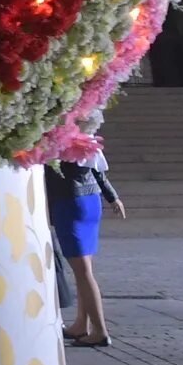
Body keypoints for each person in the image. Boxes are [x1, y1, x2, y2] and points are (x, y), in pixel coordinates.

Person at [48, 146, 125, 348]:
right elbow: (96, 169)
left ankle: (100, 331)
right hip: (91, 199)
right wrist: (112, 196)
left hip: (69, 201)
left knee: (83, 273)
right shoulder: (80, 137)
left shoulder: (54, 138)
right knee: (85, 270)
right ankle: (82, 324)